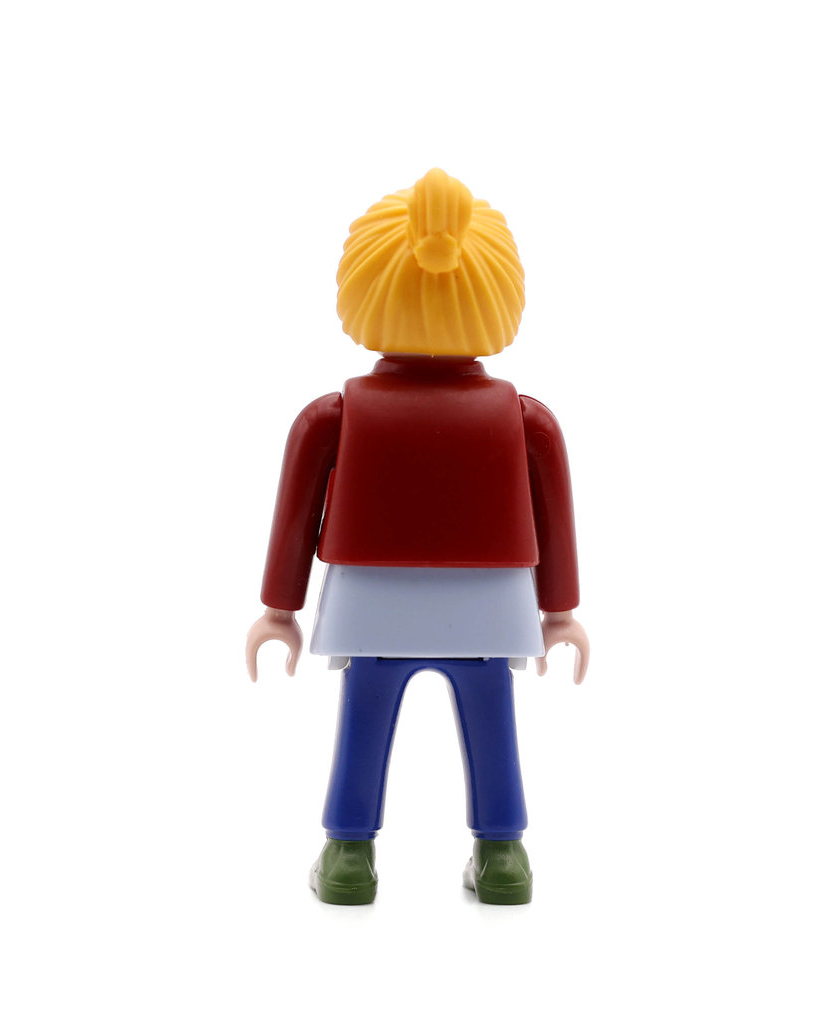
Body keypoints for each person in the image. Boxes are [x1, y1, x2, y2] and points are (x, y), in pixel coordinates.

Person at [246, 168, 589, 905]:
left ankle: (347, 856)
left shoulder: (335, 414)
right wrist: (559, 611)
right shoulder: (524, 417)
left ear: (362, 292)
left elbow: (295, 512)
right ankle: (503, 858)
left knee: (363, 717)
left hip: (371, 604)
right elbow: (556, 515)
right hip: (491, 607)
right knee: (492, 717)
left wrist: (280, 609)